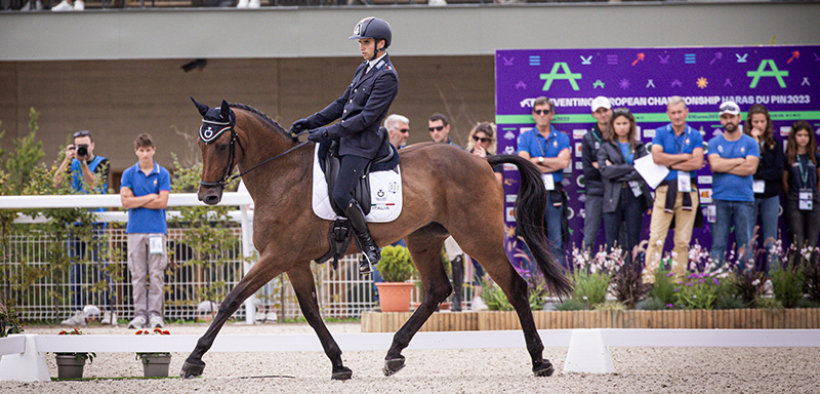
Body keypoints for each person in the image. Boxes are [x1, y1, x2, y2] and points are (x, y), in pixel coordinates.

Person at [290, 17, 398, 275]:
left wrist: (327, 132)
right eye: (360, 42)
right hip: (345, 138)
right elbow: (342, 104)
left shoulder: (387, 76)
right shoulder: (364, 69)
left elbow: (365, 119)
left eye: (366, 42)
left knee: (340, 194)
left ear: (381, 44)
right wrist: (311, 121)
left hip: (362, 144)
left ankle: (369, 247)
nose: (361, 47)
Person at [53, 130, 114, 326]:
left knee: (102, 267)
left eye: (84, 146)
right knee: (75, 269)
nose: (81, 150)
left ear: (92, 145)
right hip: (74, 222)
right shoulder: (70, 164)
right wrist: (67, 159)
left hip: (96, 221)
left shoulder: (102, 163)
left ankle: (109, 312)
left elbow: (93, 185)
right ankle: (77, 312)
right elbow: (56, 183)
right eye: (77, 146)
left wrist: (83, 163)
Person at [643, 96, 704, 282]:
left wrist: (669, 162)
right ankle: (649, 280)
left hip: (688, 192)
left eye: (680, 112)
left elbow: (698, 162)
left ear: (686, 113)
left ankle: (678, 280)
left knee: (682, 241)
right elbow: (657, 158)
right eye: (673, 113)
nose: (677, 116)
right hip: (664, 192)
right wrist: (684, 157)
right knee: (656, 238)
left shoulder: (695, 135)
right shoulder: (660, 132)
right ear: (668, 114)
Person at [121, 133, 171, 329]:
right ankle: (140, 314)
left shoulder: (163, 173)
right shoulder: (128, 173)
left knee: (157, 274)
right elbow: (125, 202)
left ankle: (155, 314)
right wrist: (151, 196)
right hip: (135, 230)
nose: (145, 154)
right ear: (136, 151)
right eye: (141, 150)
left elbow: (162, 202)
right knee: (138, 274)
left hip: (157, 230)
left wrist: (137, 199)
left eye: (148, 150)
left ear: (154, 150)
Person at [516, 96, 571, 266]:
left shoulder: (561, 137)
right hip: (532, 193)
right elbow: (524, 164)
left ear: (552, 114)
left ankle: (557, 281)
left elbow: (564, 162)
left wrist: (538, 161)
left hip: (553, 195)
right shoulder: (525, 137)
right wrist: (550, 163)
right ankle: (531, 280)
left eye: (545, 111)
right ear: (533, 114)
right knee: (531, 242)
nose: (542, 115)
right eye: (538, 111)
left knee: (556, 242)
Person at [707, 101, 760, 268]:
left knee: (745, 244)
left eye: (731, 117)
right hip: (719, 199)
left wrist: (725, 165)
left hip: (744, 199)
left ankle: (745, 282)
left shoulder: (751, 143)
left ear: (739, 118)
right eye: (724, 117)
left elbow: (750, 168)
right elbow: (715, 166)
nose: (728, 120)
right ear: (720, 120)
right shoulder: (714, 142)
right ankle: (715, 280)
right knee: (718, 244)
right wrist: (738, 160)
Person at [597, 108, 651, 264]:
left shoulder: (639, 146)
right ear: (612, 125)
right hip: (613, 196)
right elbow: (605, 171)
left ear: (631, 125)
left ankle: (633, 276)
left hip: (634, 196)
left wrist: (616, 169)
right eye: (618, 123)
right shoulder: (605, 146)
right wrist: (630, 167)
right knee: (612, 242)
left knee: (633, 240)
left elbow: (642, 171)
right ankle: (613, 276)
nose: (621, 127)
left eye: (625, 123)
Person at [428, 114, 467, 311]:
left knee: (455, 254)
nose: (435, 132)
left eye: (439, 128)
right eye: (432, 129)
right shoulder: (426, 154)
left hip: (453, 213)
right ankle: (434, 299)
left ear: (447, 128)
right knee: (432, 257)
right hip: (431, 215)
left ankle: (458, 298)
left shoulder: (458, 153)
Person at [465, 121, 502, 310]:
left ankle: (482, 296)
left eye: (484, 140)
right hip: (463, 211)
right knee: (467, 255)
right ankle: (472, 297)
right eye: (476, 138)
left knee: (484, 254)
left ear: (490, 142)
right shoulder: (464, 156)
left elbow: (498, 181)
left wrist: (484, 162)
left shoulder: (492, 160)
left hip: (483, 212)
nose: (479, 142)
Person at [745, 104, 785, 271]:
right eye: (756, 122)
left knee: (771, 238)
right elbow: (746, 169)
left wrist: (758, 173)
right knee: (747, 237)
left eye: (762, 121)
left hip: (770, 195)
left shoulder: (775, 144)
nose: (759, 125)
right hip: (748, 196)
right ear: (750, 123)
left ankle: (772, 276)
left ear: (767, 122)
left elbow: (777, 171)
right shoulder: (744, 143)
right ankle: (746, 277)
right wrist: (754, 143)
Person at [782, 120, 820, 263]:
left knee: (812, 243)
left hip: (814, 200)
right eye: (799, 135)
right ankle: (797, 274)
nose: (803, 138)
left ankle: (812, 274)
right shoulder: (788, 157)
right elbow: (784, 182)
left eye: (806, 135)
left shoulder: (815, 156)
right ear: (794, 137)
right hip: (794, 200)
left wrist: (815, 194)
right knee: (798, 242)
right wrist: (792, 195)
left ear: (810, 137)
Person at [582, 96, 612, 254]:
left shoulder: (619, 135)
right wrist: (609, 167)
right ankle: (585, 268)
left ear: (611, 111)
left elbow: (626, 167)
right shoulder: (588, 138)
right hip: (595, 192)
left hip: (616, 191)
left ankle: (621, 269)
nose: (603, 114)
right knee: (589, 235)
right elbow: (588, 171)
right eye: (599, 111)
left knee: (619, 235)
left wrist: (599, 165)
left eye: (605, 110)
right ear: (594, 114)